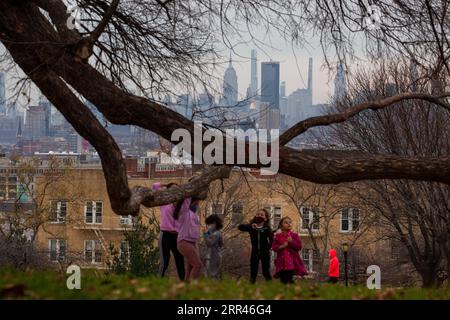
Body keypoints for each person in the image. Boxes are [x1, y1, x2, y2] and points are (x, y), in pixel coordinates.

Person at [152, 182, 185, 280]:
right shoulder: (164, 202)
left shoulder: (181, 204)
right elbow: (155, 186)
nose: (175, 191)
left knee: (180, 262)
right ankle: (159, 283)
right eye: (172, 189)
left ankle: (185, 286)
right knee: (165, 262)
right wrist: (166, 184)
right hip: (165, 235)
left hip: (178, 237)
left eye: (176, 189)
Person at [238, 209, 273, 283]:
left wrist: (268, 248)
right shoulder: (252, 227)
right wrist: (251, 225)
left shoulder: (267, 228)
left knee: (266, 272)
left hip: (265, 253)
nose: (259, 216)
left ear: (266, 218)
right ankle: (251, 288)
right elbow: (240, 227)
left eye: (262, 215)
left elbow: (271, 239)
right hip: (255, 252)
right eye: (258, 214)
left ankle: (272, 287)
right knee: (253, 273)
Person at [272, 217, 308, 284]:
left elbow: (299, 247)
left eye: (290, 222)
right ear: (281, 225)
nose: (289, 224)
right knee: (283, 281)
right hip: (281, 263)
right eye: (286, 222)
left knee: (289, 279)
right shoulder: (278, 236)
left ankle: (293, 291)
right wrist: (282, 246)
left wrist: (291, 242)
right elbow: (274, 247)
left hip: (291, 262)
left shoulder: (294, 235)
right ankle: (286, 292)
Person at [176, 196, 203, 280]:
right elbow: (186, 200)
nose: (197, 205)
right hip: (184, 242)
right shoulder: (184, 213)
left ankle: (185, 288)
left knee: (190, 268)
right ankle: (192, 288)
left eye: (197, 204)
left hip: (193, 242)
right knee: (197, 265)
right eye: (195, 203)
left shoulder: (194, 214)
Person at [203, 214, 224, 279]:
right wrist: (208, 232)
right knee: (211, 274)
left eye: (209, 224)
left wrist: (205, 234)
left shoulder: (217, 233)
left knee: (213, 275)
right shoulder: (214, 232)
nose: (208, 226)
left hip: (214, 257)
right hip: (212, 256)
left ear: (214, 223)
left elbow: (210, 243)